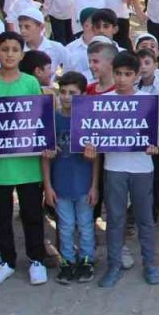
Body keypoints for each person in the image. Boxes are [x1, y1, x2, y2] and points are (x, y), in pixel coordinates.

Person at [0, 32, 49, 286]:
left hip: (27, 164)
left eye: (14, 49)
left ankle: (37, 260)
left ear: (21, 54)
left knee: (32, 214)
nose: (9, 54)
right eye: (4, 49)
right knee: (2, 216)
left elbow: (39, 119)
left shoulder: (30, 82)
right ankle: (7, 261)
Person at [95, 51, 159, 287]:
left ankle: (150, 264)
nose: (122, 79)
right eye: (118, 73)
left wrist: (155, 146)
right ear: (112, 73)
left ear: (136, 76)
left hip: (142, 167)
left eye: (127, 74)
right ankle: (114, 265)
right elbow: (94, 133)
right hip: (114, 166)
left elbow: (157, 133)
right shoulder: (103, 102)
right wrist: (90, 146)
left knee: (145, 218)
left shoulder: (148, 101)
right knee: (115, 218)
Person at [45, 71, 98, 284]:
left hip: (84, 184)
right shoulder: (52, 119)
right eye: (63, 92)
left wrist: (95, 186)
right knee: (65, 226)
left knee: (86, 225)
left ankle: (87, 260)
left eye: (72, 93)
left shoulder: (88, 120)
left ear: (83, 95)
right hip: (60, 185)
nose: (66, 97)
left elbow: (97, 157)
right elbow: (44, 157)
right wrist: (47, 187)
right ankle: (66, 261)